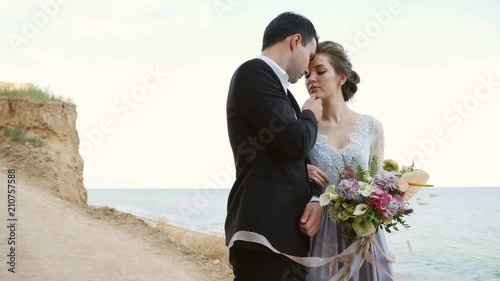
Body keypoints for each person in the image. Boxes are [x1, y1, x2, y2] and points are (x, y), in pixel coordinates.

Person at [225, 12, 325, 281]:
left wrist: (302, 173)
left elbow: (279, 147)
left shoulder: (282, 92)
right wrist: (310, 114)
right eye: (310, 55)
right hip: (263, 234)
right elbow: (296, 141)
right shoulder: (254, 72)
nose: (307, 70)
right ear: (295, 41)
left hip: (280, 237)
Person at [304, 41, 394, 281]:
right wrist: (303, 170)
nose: (311, 79)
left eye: (320, 71)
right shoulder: (304, 128)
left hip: (364, 233)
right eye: (307, 74)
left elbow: (379, 182)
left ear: (342, 77)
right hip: (322, 232)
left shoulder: (371, 127)